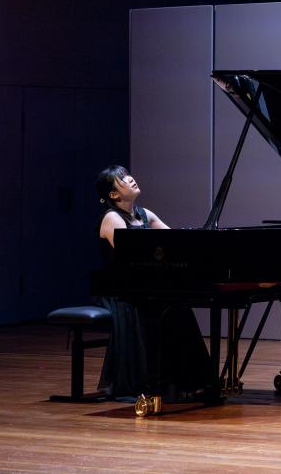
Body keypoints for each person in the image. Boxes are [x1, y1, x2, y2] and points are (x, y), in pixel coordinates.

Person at [95, 165, 211, 401]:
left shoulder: (145, 214)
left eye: (128, 175)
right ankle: (154, 381)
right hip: (121, 291)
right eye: (122, 179)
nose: (130, 179)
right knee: (162, 308)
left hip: (145, 286)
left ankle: (191, 381)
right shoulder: (112, 218)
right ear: (113, 194)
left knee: (179, 307)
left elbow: (174, 243)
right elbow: (131, 259)